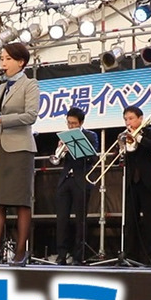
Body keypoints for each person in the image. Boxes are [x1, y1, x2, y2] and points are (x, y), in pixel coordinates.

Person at [0, 42, 40, 267]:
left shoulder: (30, 84)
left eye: (7, 59)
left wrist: (0, 120)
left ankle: (21, 252)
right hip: (0, 148)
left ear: (21, 62)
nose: (2, 63)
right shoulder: (3, 87)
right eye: (2, 58)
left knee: (22, 203)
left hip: (20, 149)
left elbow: (31, 116)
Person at [121, 105, 151, 265]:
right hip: (132, 183)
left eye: (131, 118)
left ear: (140, 118)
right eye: (126, 119)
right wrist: (123, 147)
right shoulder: (124, 136)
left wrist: (138, 138)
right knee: (130, 222)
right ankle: (130, 256)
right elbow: (121, 158)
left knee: (150, 222)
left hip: (149, 183)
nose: (128, 122)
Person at [54, 107, 99, 265]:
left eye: (74, 123)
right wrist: (60, 148)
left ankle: (78, 256)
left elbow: (93, 158)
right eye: (69, 123)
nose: (71, 126)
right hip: (65, 180)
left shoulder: (90, 136)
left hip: (81, 180)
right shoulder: (64, 136)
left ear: (81, 122)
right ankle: (61, 255)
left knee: (80, 220)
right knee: (62, 219)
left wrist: (76, 147)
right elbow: (57, 160)